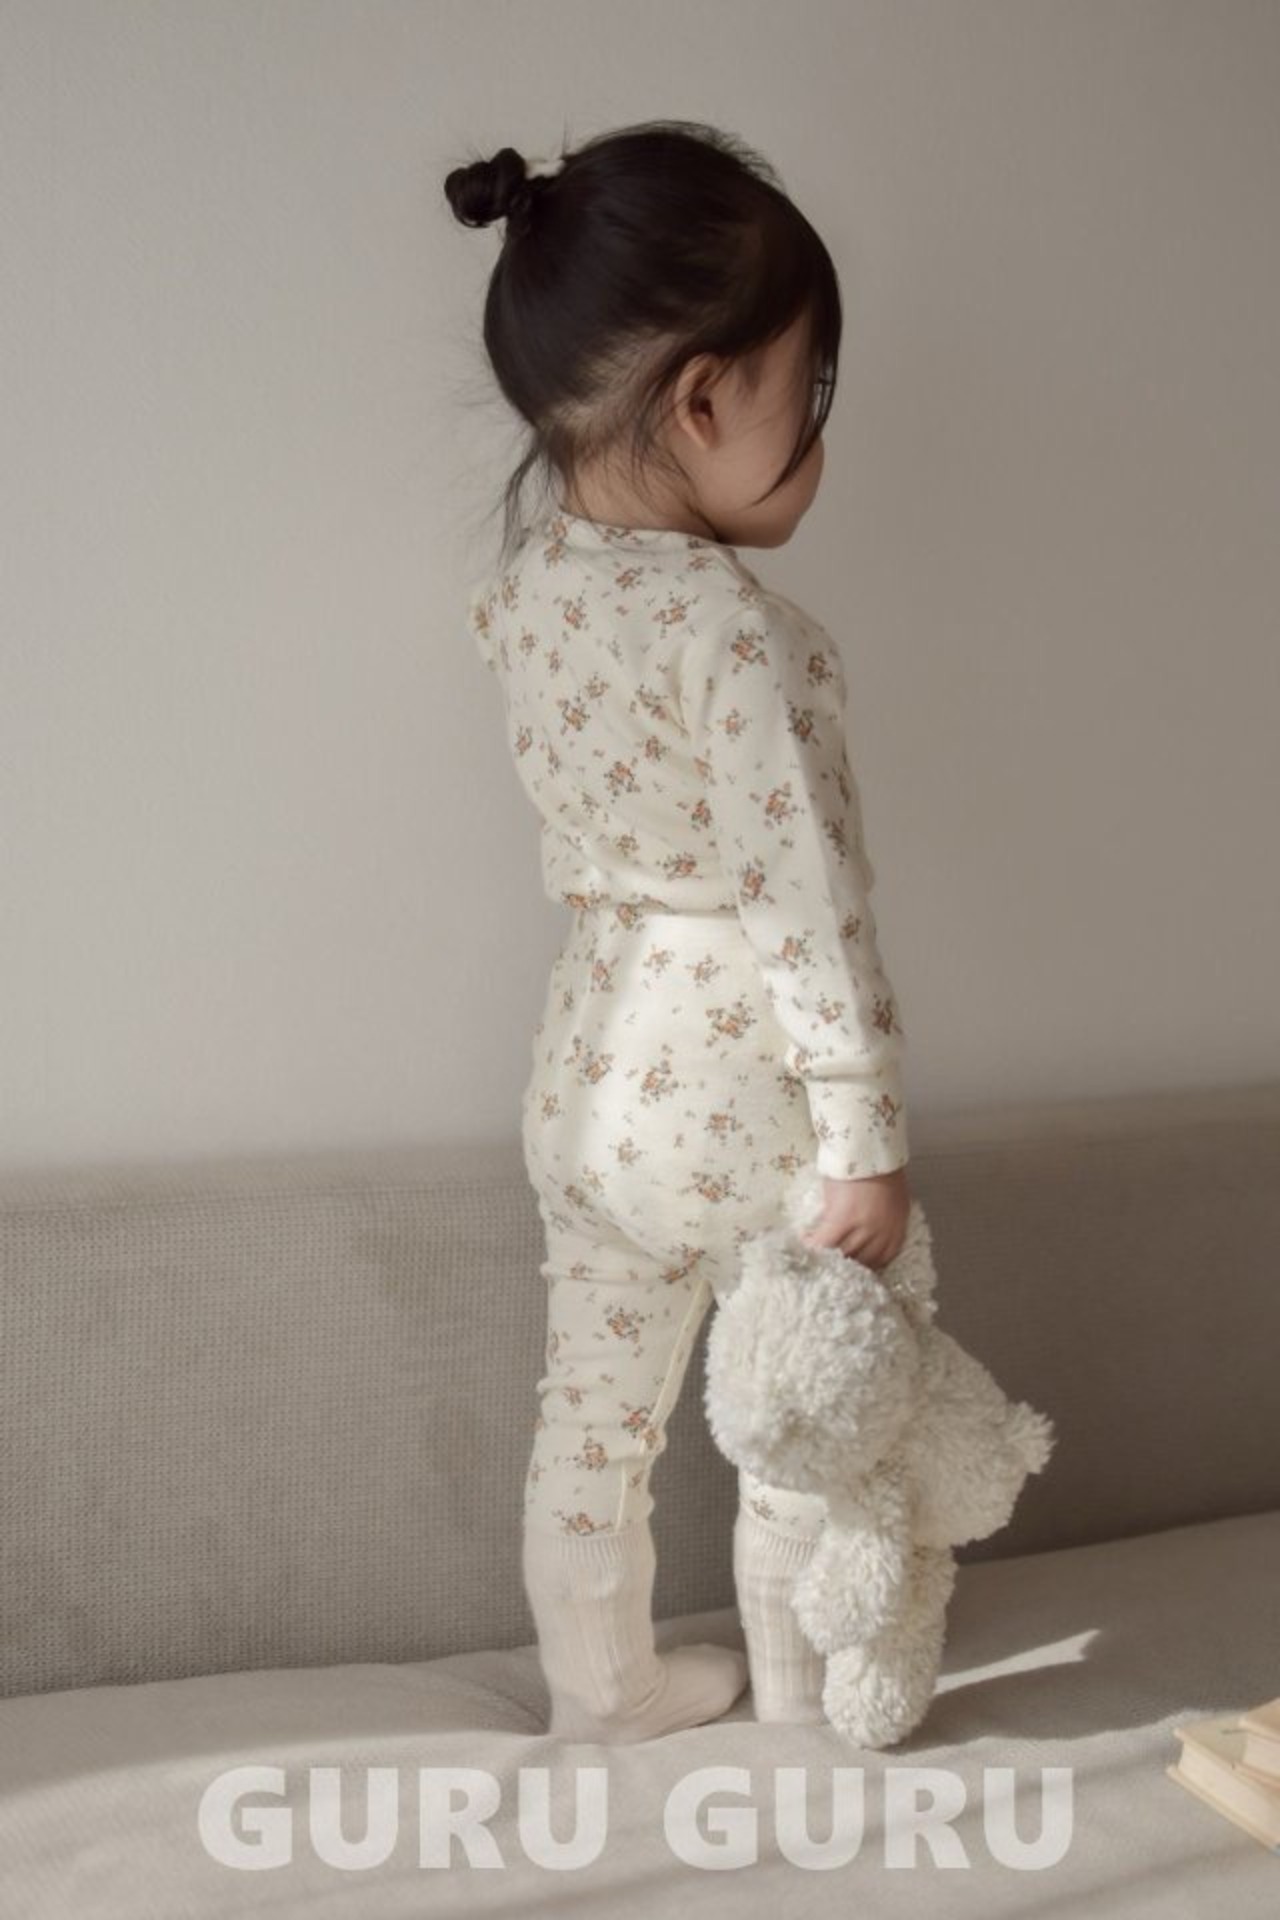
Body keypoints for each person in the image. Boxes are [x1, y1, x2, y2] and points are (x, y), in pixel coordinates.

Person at [445, 120, 912, 1743]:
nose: (820, 437)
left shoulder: (528, 596)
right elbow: (808, 905)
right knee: (793, 1403)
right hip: (735, 1080)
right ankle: (802, 1700)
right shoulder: (742, 637)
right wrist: (864, 1136)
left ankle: (605, 1691)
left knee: (593, 1412)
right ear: (704, 402)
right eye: (810, 397)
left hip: (587, 1066)